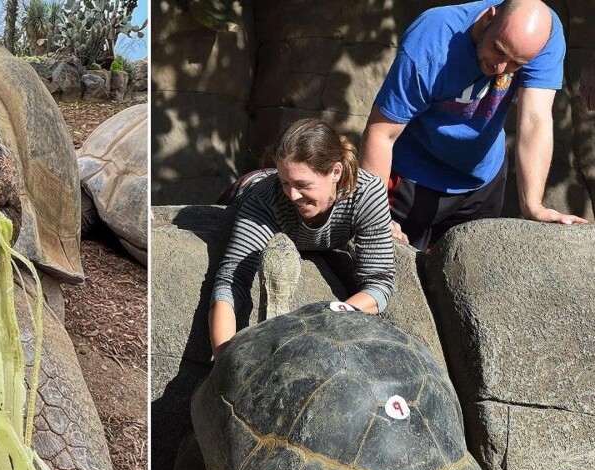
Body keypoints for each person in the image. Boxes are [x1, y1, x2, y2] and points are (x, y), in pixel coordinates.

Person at [361, 0, 587, 250]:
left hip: (482, 181)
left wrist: (533, 205)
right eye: (498, 50)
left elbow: (535, 119)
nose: (501, 68)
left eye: (516, 64)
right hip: (413, 178)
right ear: (489, 18)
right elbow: (381, 133)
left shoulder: (545, 36)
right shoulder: (431, 41)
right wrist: (376, 215)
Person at [209, 119, 395, 359]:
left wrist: (326, 323)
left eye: (303, 185)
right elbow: (231, 283)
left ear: (335, 172)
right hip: (245, 191)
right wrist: (223, 362)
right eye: (285, 183)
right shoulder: (267, 199)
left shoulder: (367, 194)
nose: (293, 195)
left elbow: (379, 284)